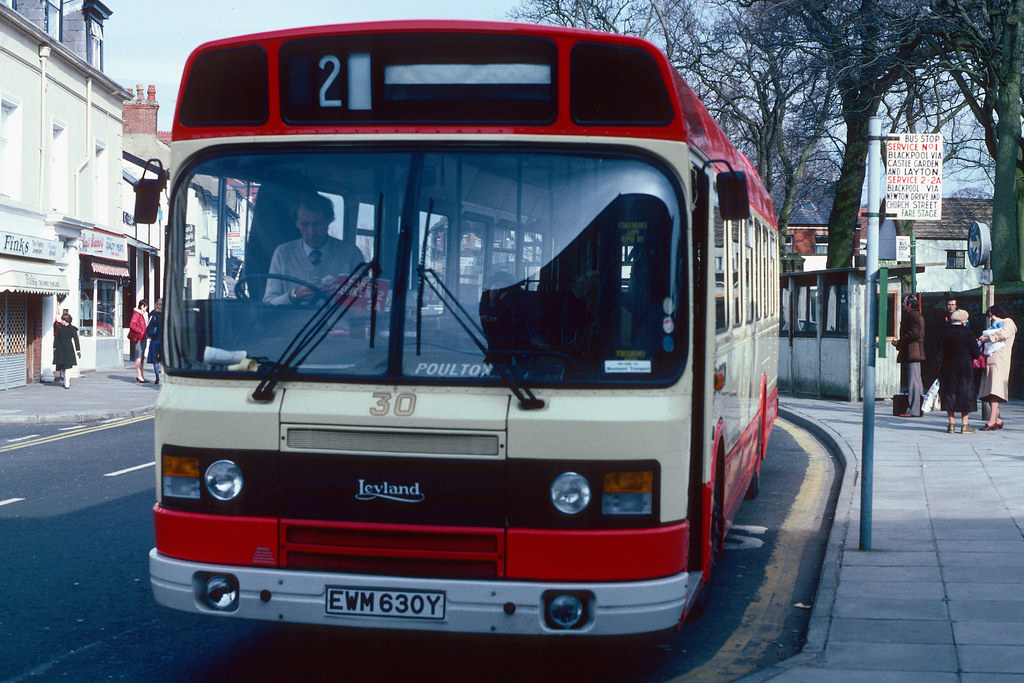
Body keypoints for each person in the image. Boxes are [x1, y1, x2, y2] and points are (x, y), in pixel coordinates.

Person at [263, 193, 365, 305]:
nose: (312, 232)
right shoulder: (283, 254)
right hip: (292, 317)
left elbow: (366, 303)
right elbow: (268, 303)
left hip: (338, 317)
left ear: (329, 221)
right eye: (305, 225)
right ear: (296, 224)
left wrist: (346, 293)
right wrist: (294, 295)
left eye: (318, 224)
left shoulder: (351, 254)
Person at [938, 308, 981, 433]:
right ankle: (964, 425)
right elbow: (976, 354)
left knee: (949, 393)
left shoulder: (944, 333)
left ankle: (951, 424)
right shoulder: (968, 334)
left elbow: (939, 352)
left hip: (947, 367)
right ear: (964, 321)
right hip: (964, 368)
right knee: (965, 394)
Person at [978, 304, 1017, 431]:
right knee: (989, 391)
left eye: (992, 316)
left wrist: (988, 338)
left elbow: (1003, 334)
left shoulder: (1008, 323)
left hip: (999, 361)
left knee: (994, 391)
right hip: (991, 360)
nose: (991, 319)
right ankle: (998, 419)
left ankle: (991, 421)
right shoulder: (996, 325)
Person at [892, 295, 925, 417]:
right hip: (914, 351)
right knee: (916, 380)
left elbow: (913, 334)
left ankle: (914, 409)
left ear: (909, 305)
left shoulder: (912, 316)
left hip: (913, 352)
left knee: (913, 381)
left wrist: (899, 342)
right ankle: (917, 408)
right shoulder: (917, 315)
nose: (903, 304)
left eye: (904, 302)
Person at [53, 312, 81, 390]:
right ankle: (65, 380)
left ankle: (67, 383)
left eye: (63, 320)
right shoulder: (59, 327)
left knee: (67, 367)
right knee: (62, 366)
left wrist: (78, 350)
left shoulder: (72, 329)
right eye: (62, 319)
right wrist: (54, 348)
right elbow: (56, 338)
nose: (62, 321)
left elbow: (76, 340)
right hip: (60, 349)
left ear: (67, 320)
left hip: (68, 349)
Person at [128, 299, 149, 383]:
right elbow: (132, 325)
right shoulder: (137, 314)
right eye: (145, 306)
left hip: (143, 337)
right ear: (141, 306)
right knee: (139, 356)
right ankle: (139, 375)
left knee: (142, 357)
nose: (146, 308)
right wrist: (141, 331)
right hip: (139, 338)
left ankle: (141, 375)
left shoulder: (144, 314)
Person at [146, 298, 163, 385]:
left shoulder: (154, 315)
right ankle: (164, 377)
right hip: (164, 341)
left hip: (155, 340)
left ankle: (157, 377)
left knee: (155, 360)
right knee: (164, 359)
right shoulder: (167, 315)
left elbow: (148, 328)